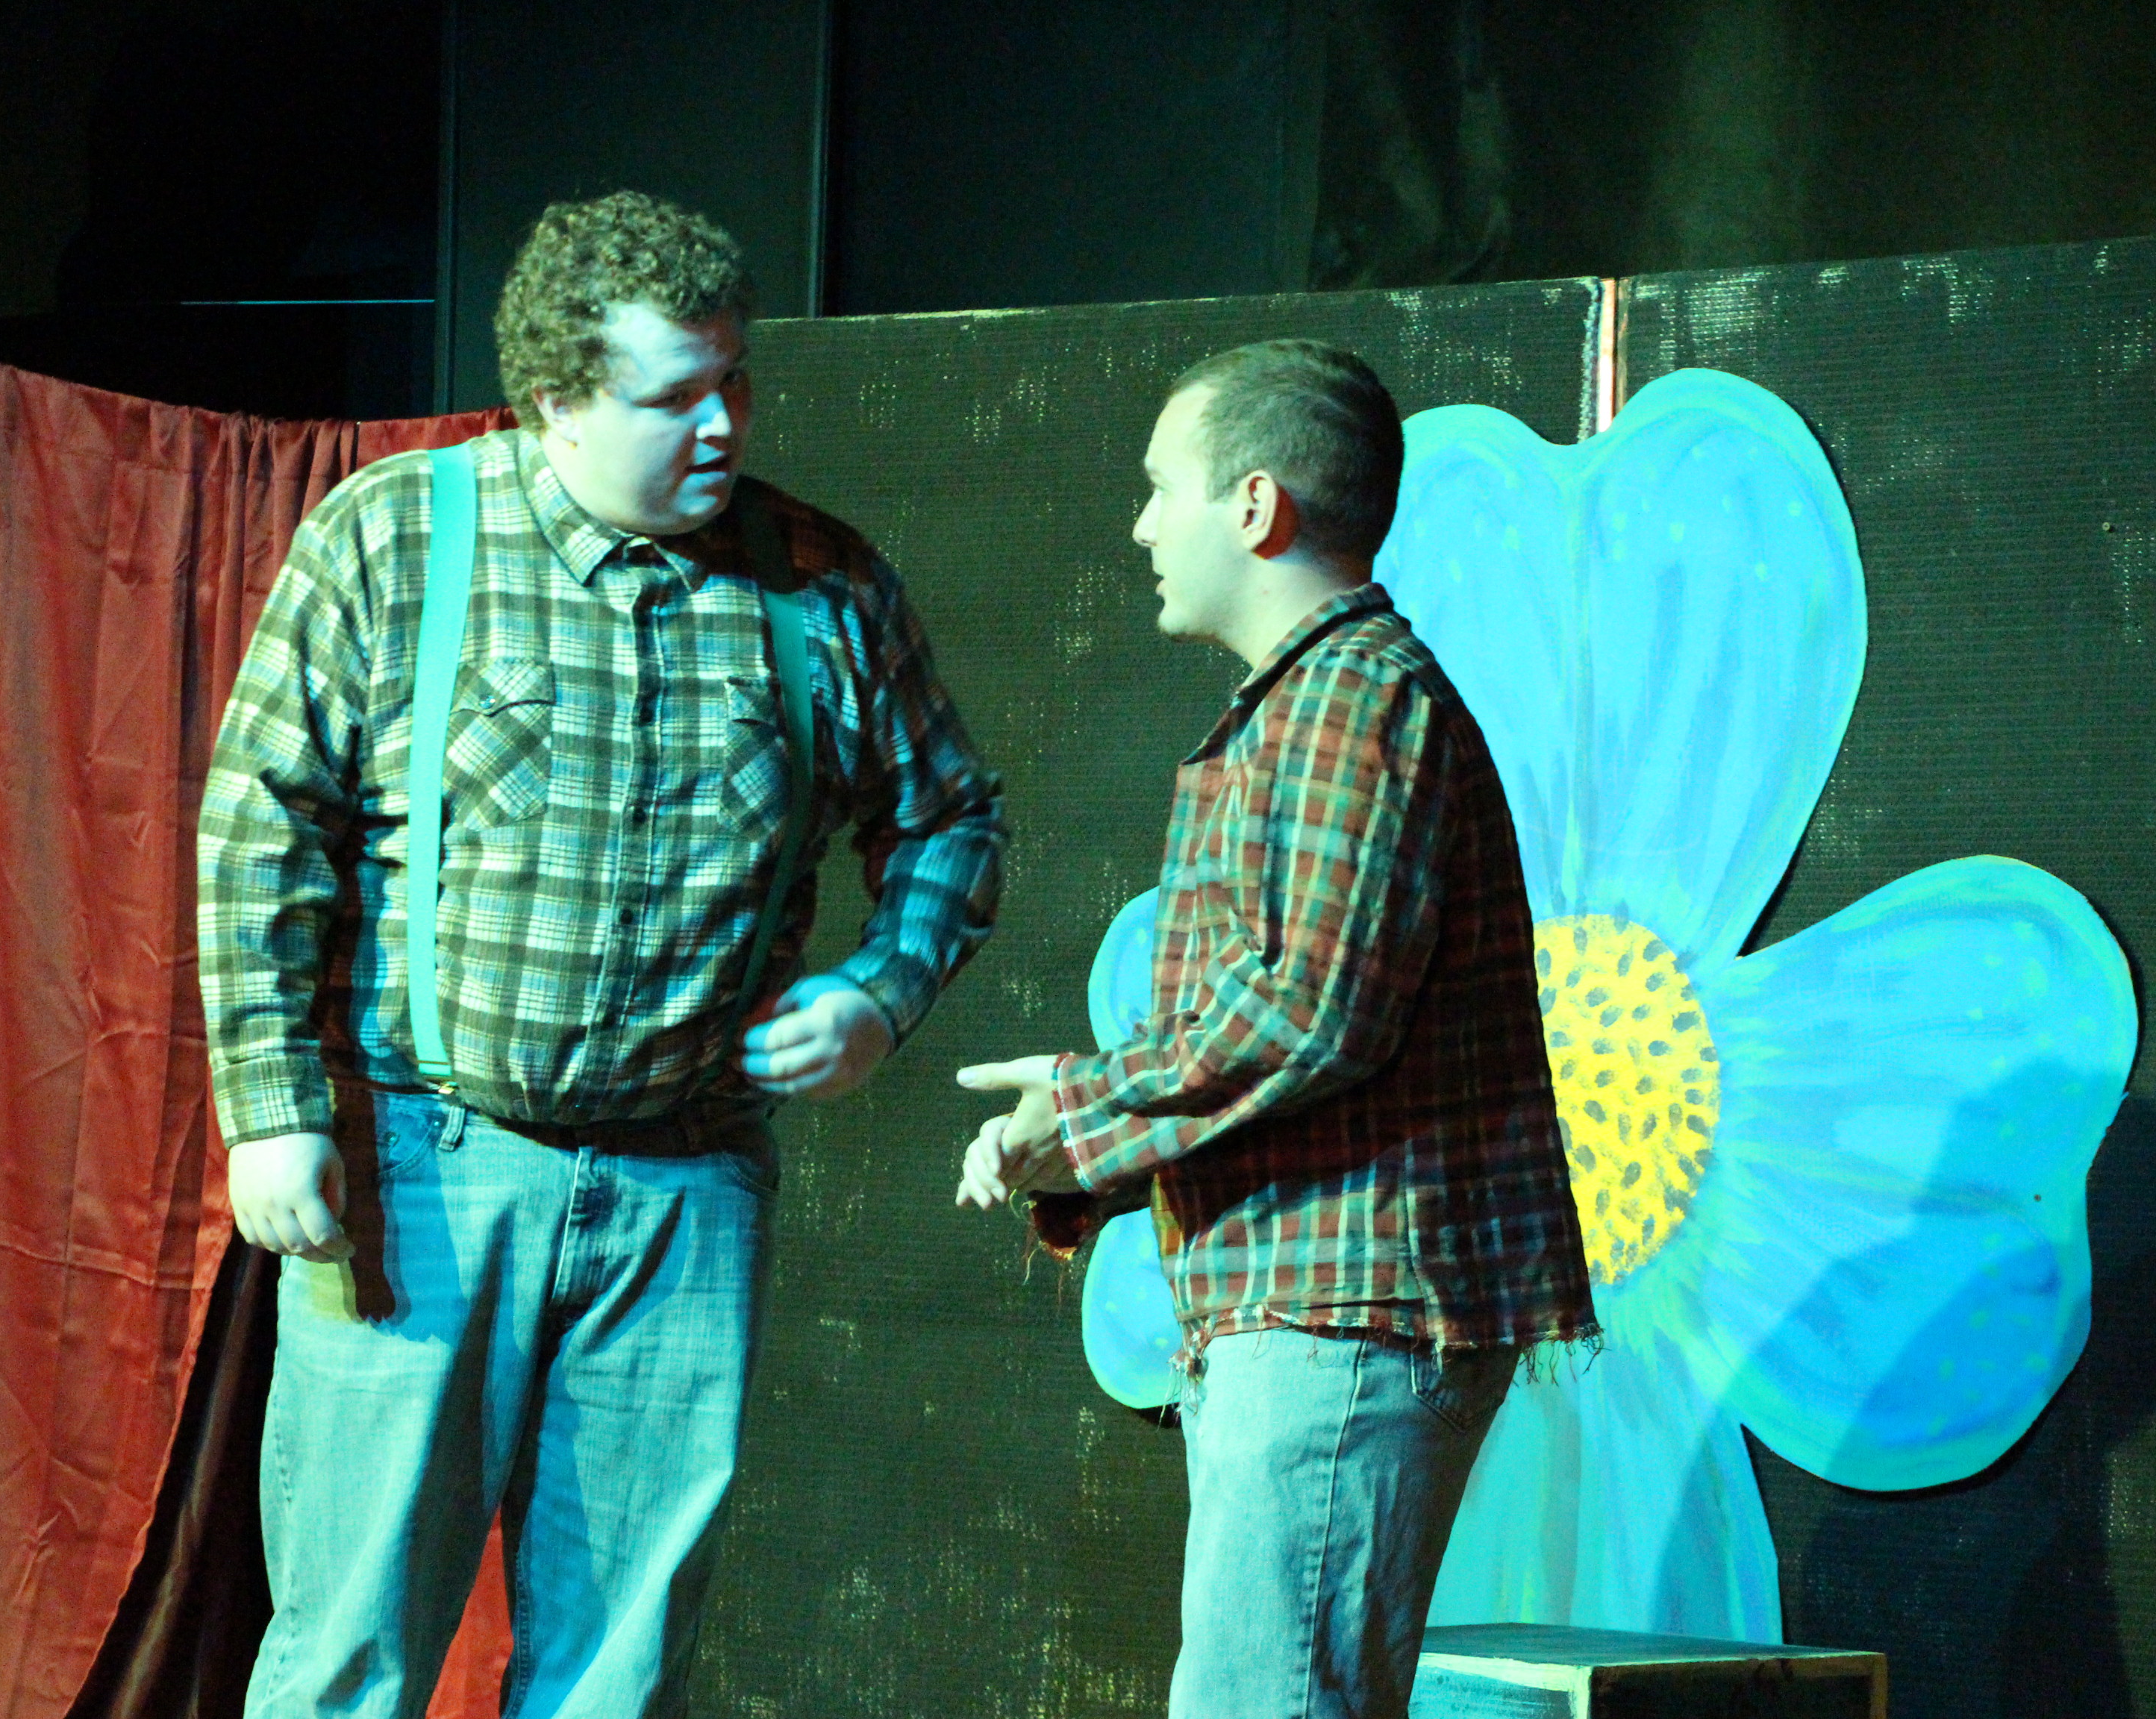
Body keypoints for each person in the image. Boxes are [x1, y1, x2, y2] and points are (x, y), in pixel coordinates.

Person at [200, 190, 1004, 1718]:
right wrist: (272, 1108)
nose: (724, 425)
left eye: (735, 381)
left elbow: (952, 816)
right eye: (674, 396)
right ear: (558, 399)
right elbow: (261, 828)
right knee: (350, 1656)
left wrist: (879, 994)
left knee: (618, 1678)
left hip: (682, 1189)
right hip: (424, 1165)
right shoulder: (396, 537)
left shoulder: (820, 580)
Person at [955, 339, 1594, 1719]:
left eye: (1159, 488)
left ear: (1255, 506)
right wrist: (1082, 1133)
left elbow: (1311, 1012)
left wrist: (1083, 1107)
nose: (1141, 527)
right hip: (1300, 1301)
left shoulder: (1356, 702)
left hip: (1342, 1309)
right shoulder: (1311, 705)